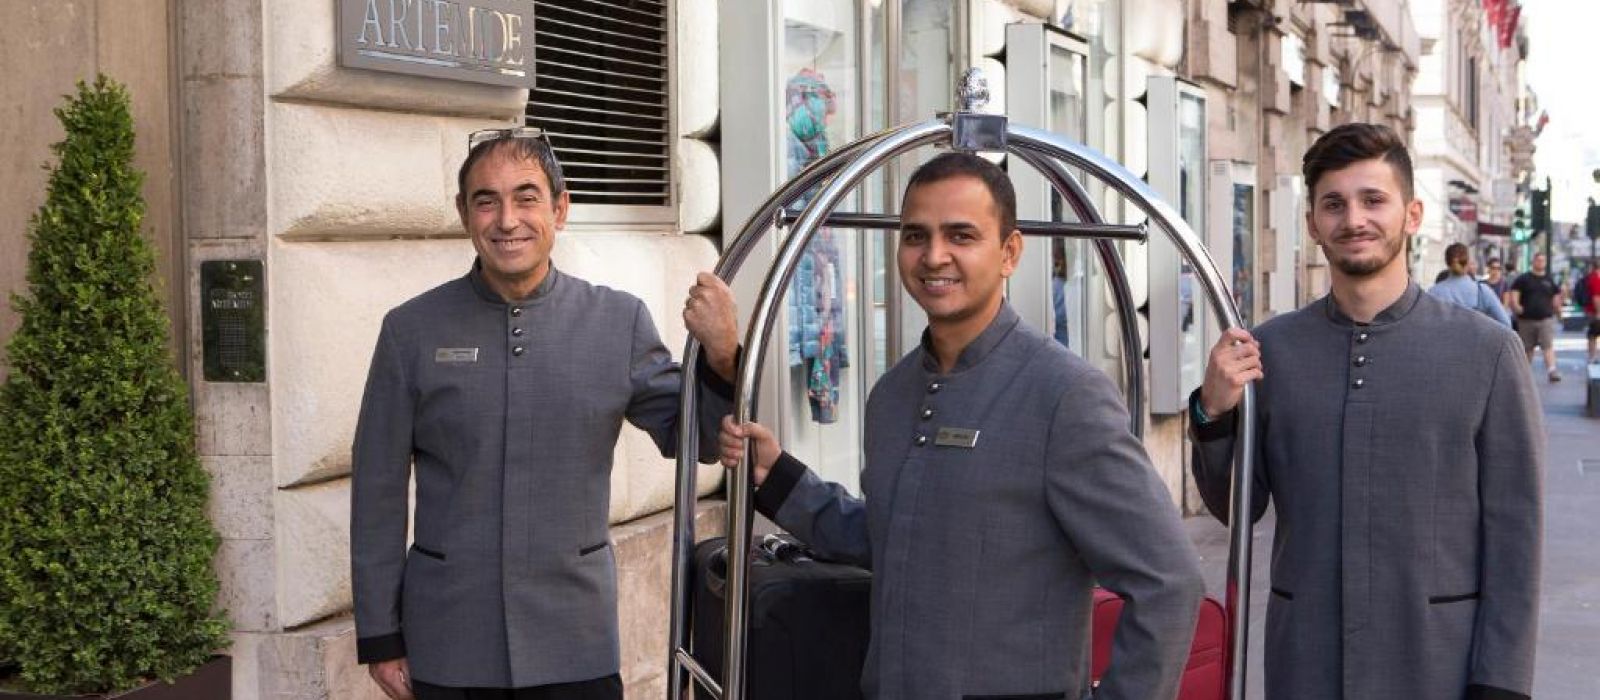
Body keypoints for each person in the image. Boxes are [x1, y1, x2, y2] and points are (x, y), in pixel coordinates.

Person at [719, 153, 1205, 700]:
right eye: (916, 235)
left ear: (1009, 252)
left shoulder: (1065, 396)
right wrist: (779, 478)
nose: (934, 256)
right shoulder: (892, 396)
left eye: (961, 235)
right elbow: (897, 538)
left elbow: (1169, 582)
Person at [350, 127, 740, 700]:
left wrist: (724, 356)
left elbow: (698, 439)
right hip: (450, 642)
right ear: (464, 214)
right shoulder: (410, 331)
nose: (507, 220)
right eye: (487, 201)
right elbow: (377, 489)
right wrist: (381, 636)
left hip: (575, 640)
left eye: (526, 197)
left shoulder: (618, 322)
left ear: (560, 208)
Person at [1191, 123, 1543, 700]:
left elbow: (1516, 535)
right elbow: (1237, 508)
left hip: (1439, 665)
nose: (1354, 219)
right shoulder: (1271, 350)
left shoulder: (1488, 352)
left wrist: (1502, 681)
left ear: (1412, 214)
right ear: (1312, 224)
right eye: (1334, 204)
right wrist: (1213, 412)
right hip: (1305, 663)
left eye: (1373, 199)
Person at [1509, 252, 1566, 381]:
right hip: (1526, 320)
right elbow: (1514, 294)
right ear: (1533, 262)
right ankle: (1524, 374)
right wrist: (1517, 307)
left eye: (1542, 260)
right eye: (1538, 260)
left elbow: (1556, 297)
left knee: (1547, 345)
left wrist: (1559, 311)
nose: (1540, 263)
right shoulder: (1523, 279)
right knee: (1527, 348)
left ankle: (1552, 371)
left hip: (1545, 319)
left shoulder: (1549, 280)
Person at [1428, 242, 1511, 326]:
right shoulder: (1482, 291)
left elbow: (1425, 325)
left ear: (1447, 263)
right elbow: (1506, 323)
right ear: (1468, 263)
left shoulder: (1434, 292)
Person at [1580, 259, 1600, 364]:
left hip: (1590, 311)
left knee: (1592, 334)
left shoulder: (1591, 278)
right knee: (1593, 334)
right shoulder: (1596, 278)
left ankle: (1592, 356)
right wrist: (1599, 312)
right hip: (1594, 312)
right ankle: (1592, 356)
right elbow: (1596, 297)